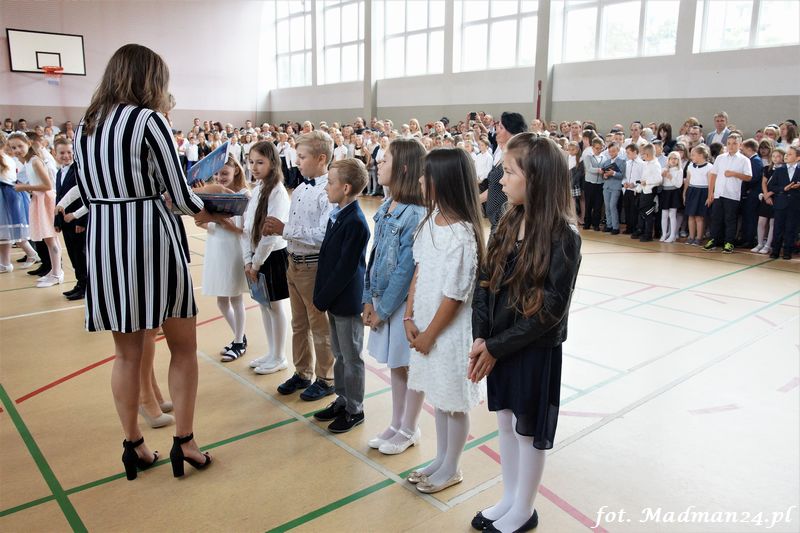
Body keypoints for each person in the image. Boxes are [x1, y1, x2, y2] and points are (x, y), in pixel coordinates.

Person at [73, 44, 215, 480]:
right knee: (182, 347)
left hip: (105, 241)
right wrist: (213, 209)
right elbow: (180, 194)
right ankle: (185, 442)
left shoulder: (85, 125)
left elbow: (85, 190)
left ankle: (134, 444)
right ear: (150, 80)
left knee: (126, 354)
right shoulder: (148, 121)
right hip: (151, 239)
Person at [470, 134, 581, 533]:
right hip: (498, 344)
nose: (500, 180)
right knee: (504, 420)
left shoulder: (563, 237)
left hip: (531, 349)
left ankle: (524, 508)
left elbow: (550, 311)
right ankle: (510, 497)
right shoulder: (507, 220)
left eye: (509, 172)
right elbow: (484, 283)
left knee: (527, 430)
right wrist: (481, 337)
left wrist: (496, 346)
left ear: (536, 179)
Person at [404, 148, 486, 494]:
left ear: (444, 181)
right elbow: (419, 270)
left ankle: (452, 467)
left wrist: (430, 335)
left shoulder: (462, 234)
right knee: (439, 397)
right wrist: (409, 315)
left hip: (448, 334)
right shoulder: (431, 221)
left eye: (427, 175)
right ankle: (440, 459)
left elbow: (455, 296)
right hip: (425, 325)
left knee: (453, 402)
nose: (421, 180)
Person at [361, 138, 428, 454]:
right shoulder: (386, 207)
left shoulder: (414, 214)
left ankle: (410, 427)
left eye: (384, 159)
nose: (378, 163)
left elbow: (405, 269)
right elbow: (374, 256)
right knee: (397, 366)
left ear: (402, 168)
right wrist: (367, 298)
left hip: (401, 305)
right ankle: (396, 422)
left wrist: (383, 309)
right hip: (382, 300)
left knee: (409, 365)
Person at [262, 131, 336, 401]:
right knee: (299, 324)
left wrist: (285, 229)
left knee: (320, 326)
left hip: (313, 266)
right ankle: (302, 371)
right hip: (293, 262)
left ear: (321, 158)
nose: (296, 162)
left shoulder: (328, 192)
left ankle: (326, 377)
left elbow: (323, 235)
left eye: (302, 157)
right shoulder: (302, 189)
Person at [311, 159, 371, 433]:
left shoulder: (356, 222)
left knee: (351, 357)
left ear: (345, 188)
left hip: (346, 301)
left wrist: (322, 298)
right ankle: (343, 399)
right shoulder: (338, 214)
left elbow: (345, 269)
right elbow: (327, 260)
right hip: (334, 299)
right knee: (339, 354)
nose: (326, 187)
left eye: (330, 182)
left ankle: (355, 409)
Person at [242, 141, 291, 374]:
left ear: (272, 163)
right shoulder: (258, 189)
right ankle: (271, 352)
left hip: (272, 255)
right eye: (251, 162)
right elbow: (247, 227)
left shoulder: (278, 192)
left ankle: (280, 356)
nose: (254, 167)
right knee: (264, 305)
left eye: (260, 162)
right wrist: (248, 260)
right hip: (256, 256)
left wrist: (256, 263)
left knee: (275, 306)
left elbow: (270, 235)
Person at [198, 155, 250, 361]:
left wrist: (220, 222)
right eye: (217, 174)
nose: (220, 177)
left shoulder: (244, 195)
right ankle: (240, 336)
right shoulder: (213, 192)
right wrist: (209, 220)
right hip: (215, 246)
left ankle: (239, 342)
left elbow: (243, 229)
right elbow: (203, 222)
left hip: (233, 248)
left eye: (225, 173)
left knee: (235, 297)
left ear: (236, 170)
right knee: (221, 300)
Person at [8, 132, 63, 287]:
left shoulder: (34, 161)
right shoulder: (28, 161)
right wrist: (28, 187)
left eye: (20, 146)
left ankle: (57, 273)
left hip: (45, 200)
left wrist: (24, 187)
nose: (17, 150)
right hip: (39, 199)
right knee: (48, 239)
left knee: (50, 238)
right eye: (13, 148)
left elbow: (47, 185)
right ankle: (54, 270)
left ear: (29, 144)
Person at [704, 134, 753, 254]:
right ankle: (714, 240)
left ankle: (729, 242)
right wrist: (711, 193)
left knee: (730, 219)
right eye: (729, 143)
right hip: (719, 193)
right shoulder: (720, 158)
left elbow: (748, 177)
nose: (731, 146)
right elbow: (713, 175)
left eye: (734, 143)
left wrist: (734, 174)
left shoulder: (744, 160)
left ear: (740, 145)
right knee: (716, 218)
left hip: (732, 194)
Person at [52, 137, 88, 299]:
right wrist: (57, 221)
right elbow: (59, 198)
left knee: (80, 254)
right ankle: (79, 283)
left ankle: (85, 286)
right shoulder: (59, 172)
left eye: (69, 152)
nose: (66, 156)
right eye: (62, 153)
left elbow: (84, 197)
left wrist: (81, 221)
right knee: (73, 254)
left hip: (77, 220)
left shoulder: (78, 170)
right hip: (65, 221)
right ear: (55, 154)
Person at [483, 113, 528, 232]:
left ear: (511, 130)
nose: (497, 130)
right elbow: (494, 186)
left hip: (506, 218)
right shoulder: (501, 151)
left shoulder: (517, 156)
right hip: (496, 219)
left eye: (501, 127)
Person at [0, 133, 37, 272]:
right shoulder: (8, 158)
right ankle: (29, 254)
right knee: (9, 230)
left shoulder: (4, 158)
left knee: (6, 229)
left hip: (6, 195)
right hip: (10, 194)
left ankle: (5, 263)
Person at [767, 145, 800, 260]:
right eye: (786, 153)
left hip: (795, 204)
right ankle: (775, 250)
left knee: (791, 228)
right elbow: (771, 186)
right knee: (778, 228)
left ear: (798, 158)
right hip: (781, 203)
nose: (786, 156)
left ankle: (787, 251)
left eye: (790, 154)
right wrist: (783, 189)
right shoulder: (780, 170)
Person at [752, 147, 785, 255]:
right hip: (766, 197)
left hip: (777, 198)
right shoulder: (767, 168)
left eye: (778, 156)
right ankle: (760, 243)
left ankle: (768, 245)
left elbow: (781, 185)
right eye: (774, 156)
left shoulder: (784, 170)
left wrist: (770, 194)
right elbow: (764, 182)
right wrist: (766, 195)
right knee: (761, 221)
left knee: (772, 223)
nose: (775, 158)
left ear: (783, 158)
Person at [683, 145, 713, 246]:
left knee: (699, 217)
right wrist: (684, 193)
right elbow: (688, 180)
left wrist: (709, 196)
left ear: (701, 155)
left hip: (703, 192)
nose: (691, 157)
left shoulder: (709, 167)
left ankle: (699, 238)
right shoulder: (691, 166)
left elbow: (711, 183)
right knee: (690, 215)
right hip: (692, 191)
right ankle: (691, 237)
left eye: (693, 155)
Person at [659, 151, 684, 243]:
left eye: (675, 158)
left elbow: (678, 184)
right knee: (664, 214)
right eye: (671, 158)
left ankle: (673, 235)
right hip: (665, 192)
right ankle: (664, 234)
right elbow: (660, 183)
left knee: (672, 215)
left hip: (674, 192)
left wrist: (670, 177)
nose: (673, 160)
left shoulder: (679, 170)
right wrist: (662, 176)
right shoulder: (664, 169)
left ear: (678, 160)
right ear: (668, 159)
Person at [601, 142, 625, 234]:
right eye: (610, 151)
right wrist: (605, 175)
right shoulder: (606, 162)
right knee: (607, 207)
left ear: (618, 151)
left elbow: (622, 175)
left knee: (612, 206)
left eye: (613, 151)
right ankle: (609, 225)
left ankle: (615, 227)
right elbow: (603, 175)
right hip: (606, 186)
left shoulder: (622, 161)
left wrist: (613, 173)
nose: (611, 153)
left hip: (616, 186)